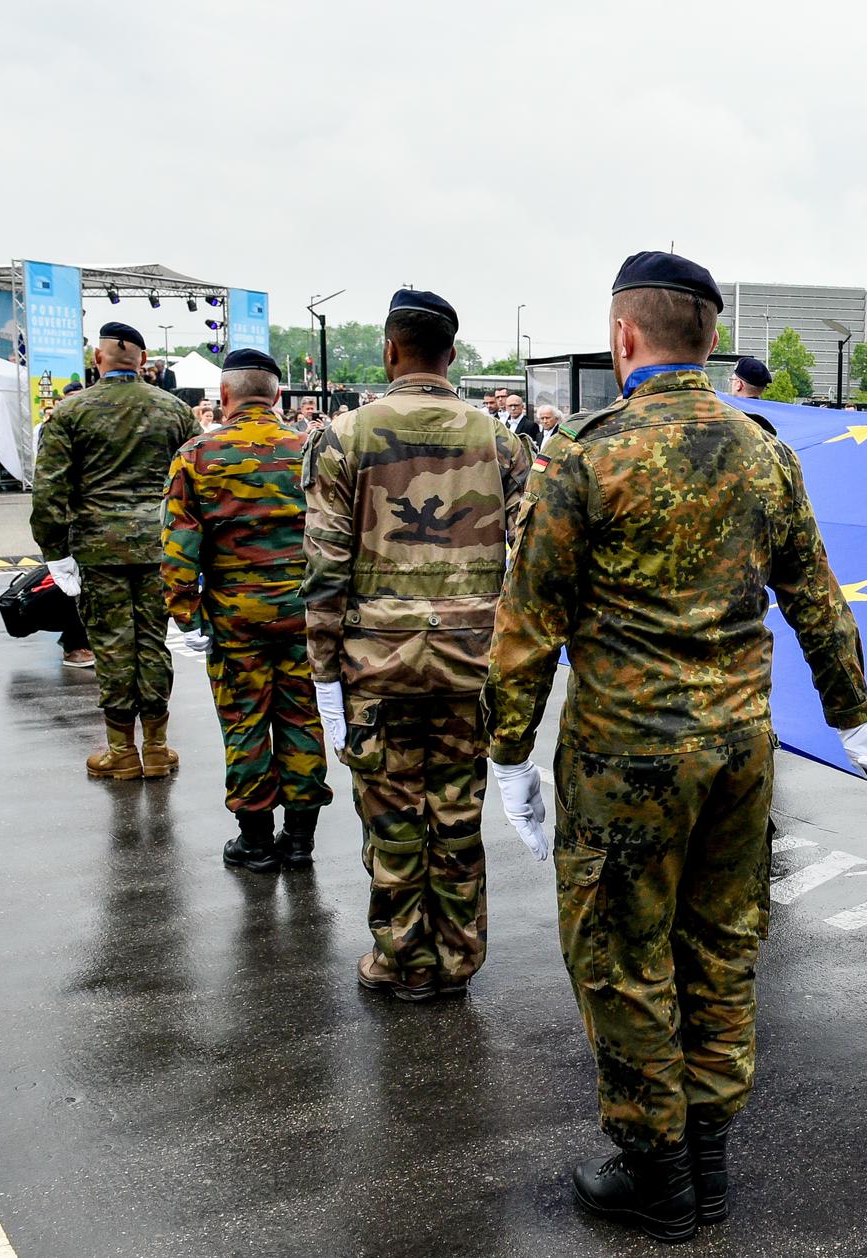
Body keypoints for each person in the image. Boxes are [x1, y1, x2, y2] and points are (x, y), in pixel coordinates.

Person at [483, 252, 867, 1243]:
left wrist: (510, 753)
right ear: (711, 340)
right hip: (737, 750)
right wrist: (853, 711)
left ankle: (656, 1170)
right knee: (719, 949)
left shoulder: (583, 454)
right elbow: (814, 595)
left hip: (626, 756)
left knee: (623, 957)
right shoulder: (762, 449)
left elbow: (528, 618)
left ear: (624, 335)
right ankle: (708, 1159)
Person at [301, 289, 529, 1002]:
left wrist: (324, 676)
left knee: (393, 815)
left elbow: (324, 568)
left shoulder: (341, 438)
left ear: (390, 350)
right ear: (452, 355)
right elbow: (529, 566)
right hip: (472, 667)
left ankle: (402, 958)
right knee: (457, 813)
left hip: (378, 667)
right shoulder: (502, 441)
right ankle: (457, 957)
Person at [161, 349, 331, 871]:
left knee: (245, 720)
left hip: (235, 618)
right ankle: (300, 838)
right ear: (278, 395)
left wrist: (186, 616)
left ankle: (255, 840)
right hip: (306, 612)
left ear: (225, 395)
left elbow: (178, 548)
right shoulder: (313, 448)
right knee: (303, 717)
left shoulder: (197, 454)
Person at [30, 321, 200, 778]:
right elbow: (192, 484)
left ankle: (122, 751)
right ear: (144, 361)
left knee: (111, 646)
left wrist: (55, 550)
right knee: (152, 643)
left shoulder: (70, 413)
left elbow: (49, 491)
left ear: (97, 360)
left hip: (98, 550)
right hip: (159, 547)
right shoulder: (175, 412)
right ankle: (159, 748)